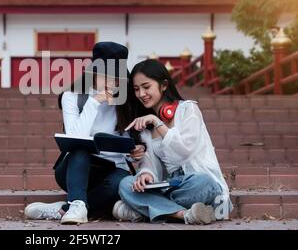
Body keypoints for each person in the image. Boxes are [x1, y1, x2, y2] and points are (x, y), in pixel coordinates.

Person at [24, 42, 145, 224]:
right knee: (81, 148)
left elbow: (128, 146)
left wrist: (135, 153)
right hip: (76, 167)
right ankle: (77, 205)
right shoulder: (72, 96)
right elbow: (75, 137)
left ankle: (67, 208)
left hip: (112, 169)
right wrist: (95, 101)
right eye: (107, 75)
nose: (113, 82)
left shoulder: (127, 101)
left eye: (117, 76)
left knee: (121, 184)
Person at [113, 59, 232, 225]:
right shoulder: (146, 128)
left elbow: (184, 151)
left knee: (205, 182)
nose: (141, 94)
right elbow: (150, 165)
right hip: (169, 186)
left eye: (146, 87)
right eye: (136, 89)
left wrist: (158, 123)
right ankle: (184, 215)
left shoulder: (188, 109)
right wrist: (146, 174)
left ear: (163, 85)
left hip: (197, 185)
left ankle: (142, 209)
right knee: (126, 184)